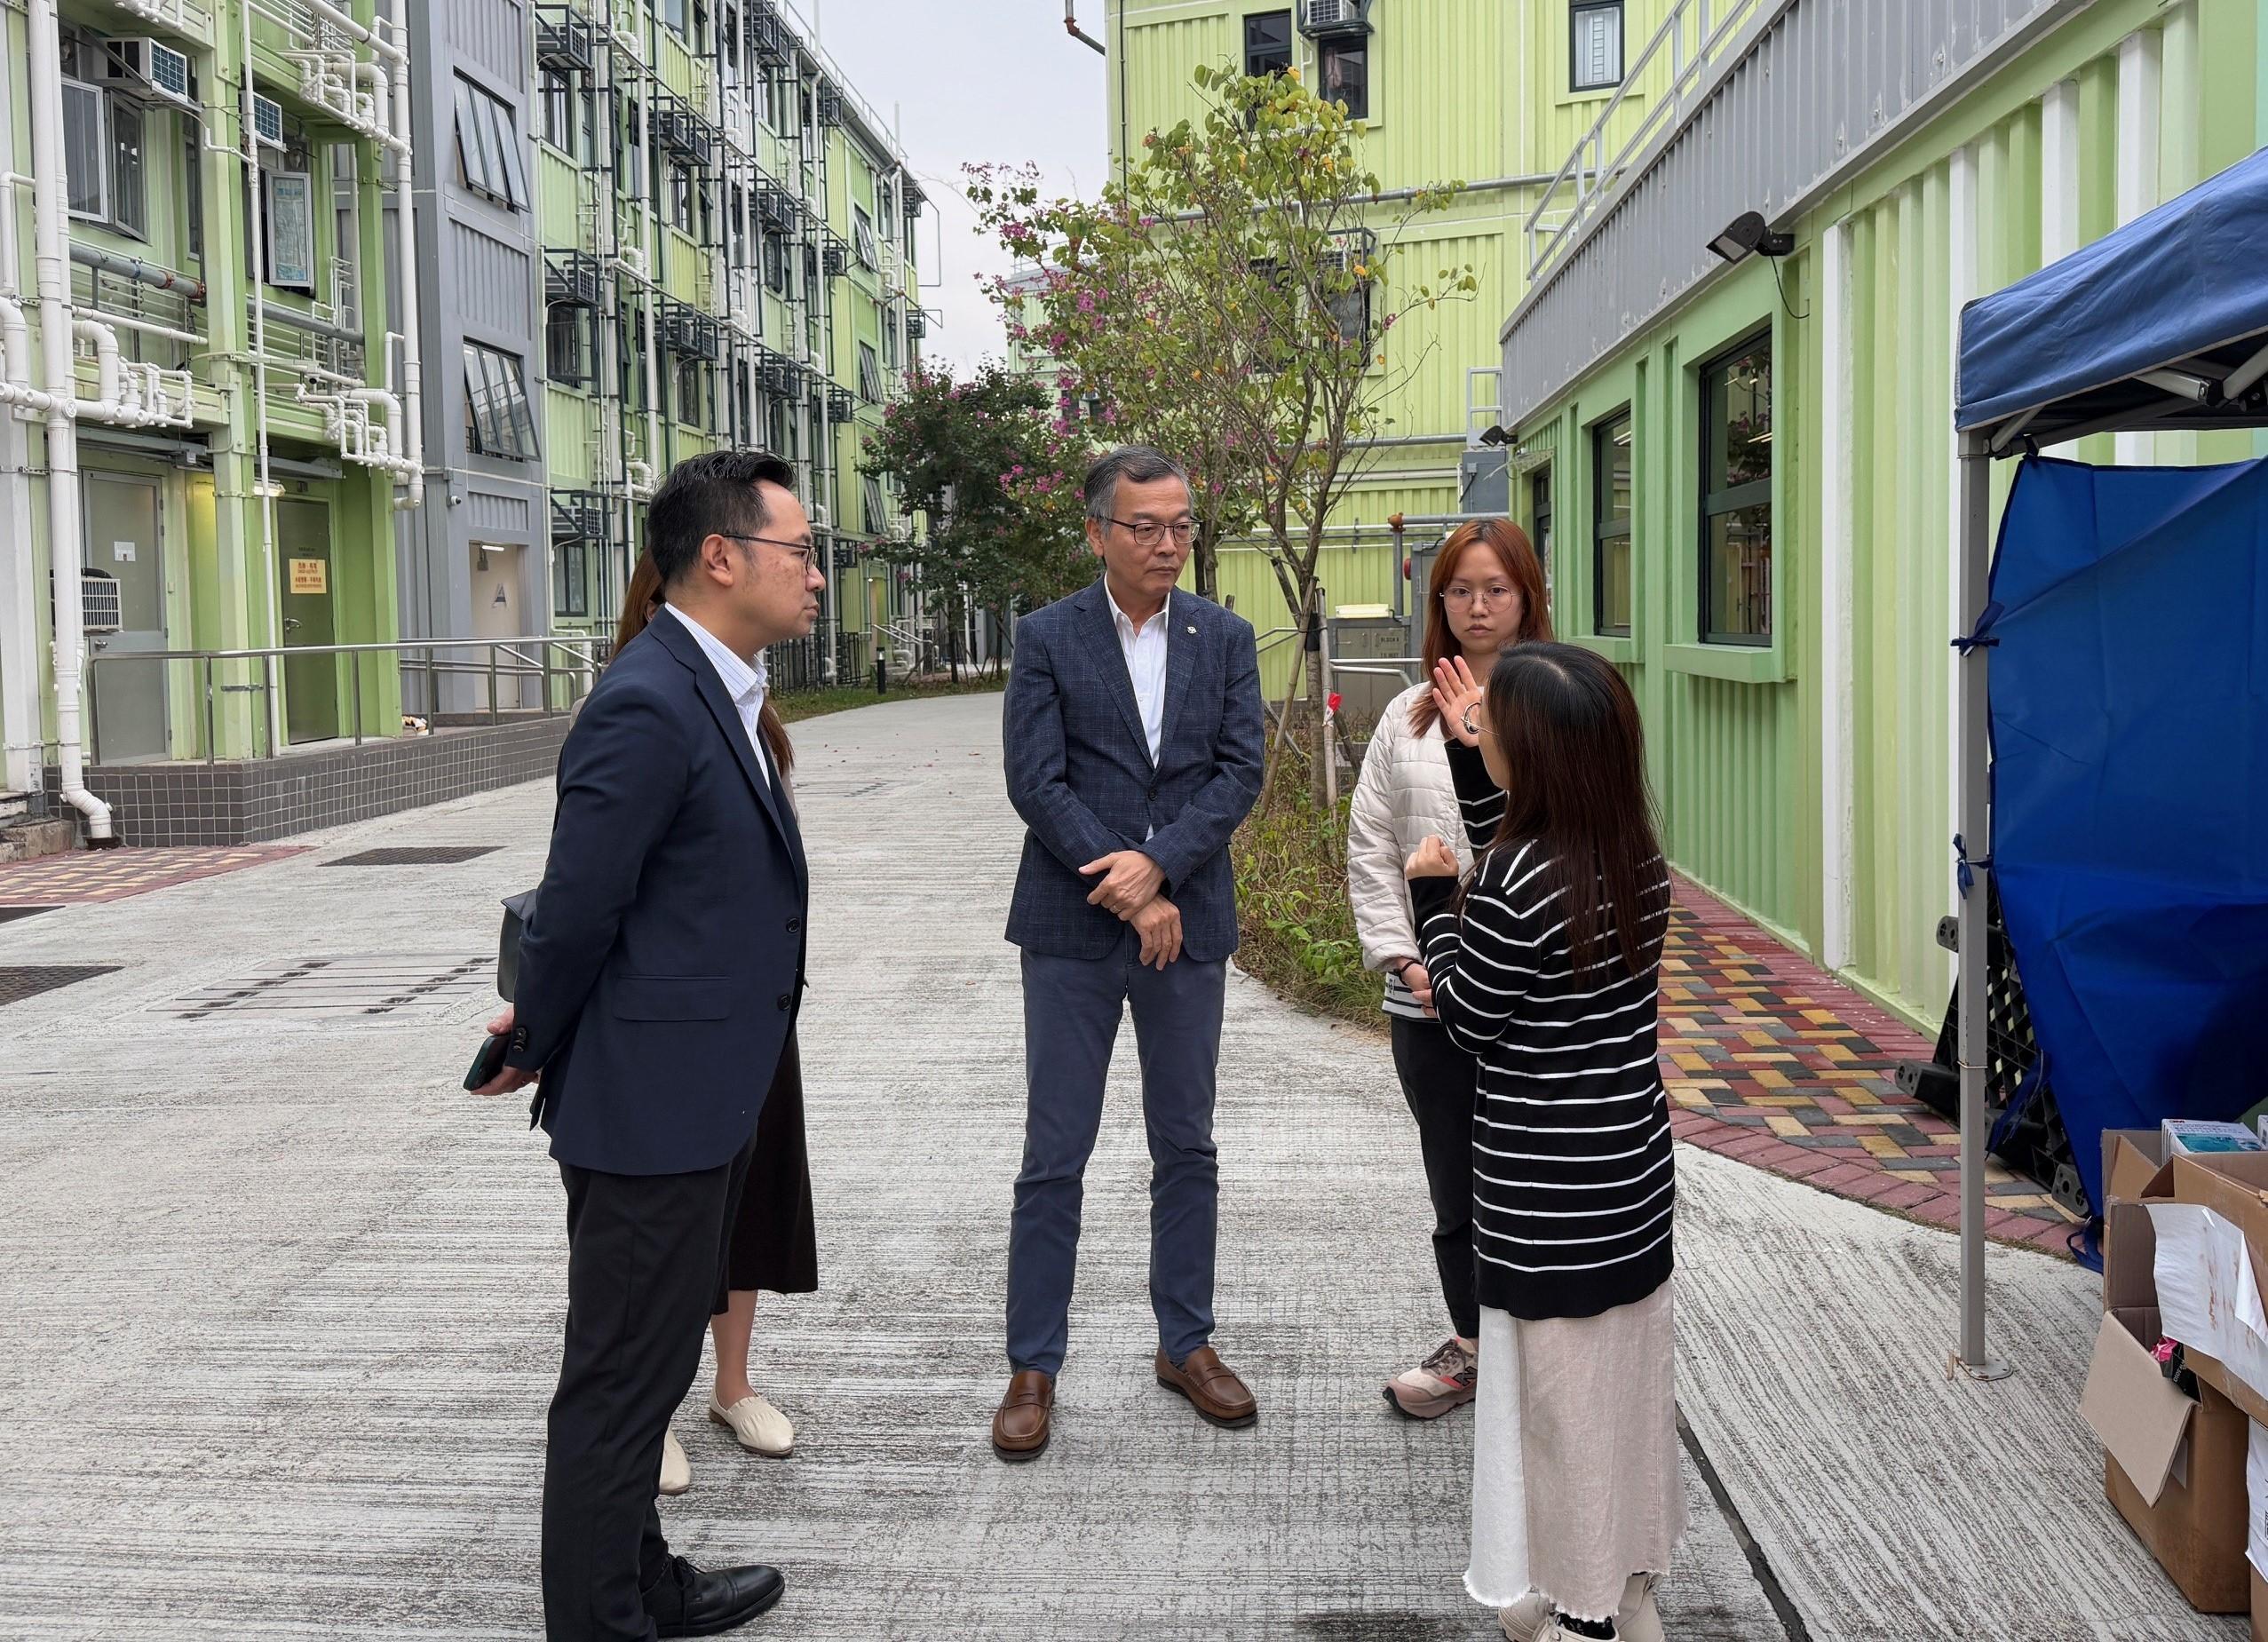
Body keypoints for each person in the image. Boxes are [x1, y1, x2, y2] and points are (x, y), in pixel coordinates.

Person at [471, 449, 821, 1640]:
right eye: (799, 550)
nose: (817, 576)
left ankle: (641, 1579)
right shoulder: (646, 699)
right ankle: (598, 1617)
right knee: (617, 1385)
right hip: (649, 1107)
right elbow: (577, 908)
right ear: (720, 558)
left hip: (701, 1094)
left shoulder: (709, 689)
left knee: (646, 1367)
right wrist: (537, 1038)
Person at [991, 445, 1265, 1461]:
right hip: (1072, 928)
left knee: (1185, 1144)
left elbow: (1239, 774)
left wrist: (1158, 871)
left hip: (1185, 925)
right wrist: (1123, 886)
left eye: (1181, 524)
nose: (1166, 543)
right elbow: (1036, 779)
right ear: (1099, 531)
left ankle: (1184, 1342)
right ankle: (1033, 1363)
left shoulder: (1223, 636)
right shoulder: (1048, 635)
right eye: (1144, 526)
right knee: (1053, 1153)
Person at [1408, 646, 1682, 1642]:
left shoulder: (1517, 882)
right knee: (1623, 1397)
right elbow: (1525, 863)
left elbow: (1472, 1015)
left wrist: (1432, 903)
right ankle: (1628, 1575)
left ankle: (1586, 1612)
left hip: (1544, 1200)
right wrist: (1479, 768)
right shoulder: (1630, 849)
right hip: (1628, 1181)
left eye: (1503, 733)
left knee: (1560, 1423)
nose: (1491, 740)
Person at [609, 554, 816, 1500]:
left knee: (751, 1204)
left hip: (756, 1011)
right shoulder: (645, 704)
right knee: (663, 1230)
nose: (809, 578)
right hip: (676, 1023)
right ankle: (645, 1410)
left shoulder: (749, 707)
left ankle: (731, 1385)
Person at [1345, 520, 1552, 1419]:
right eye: (1459, 590)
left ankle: (1548, 1352)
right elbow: (1371, 848)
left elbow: (1565, 844)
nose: (1476, 606)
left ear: (1525, 597)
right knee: (1455, 1179)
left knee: (1539, 1175)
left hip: (1531, 999)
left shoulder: (1559, 701)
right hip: (1425, 999)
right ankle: (1472, 1345)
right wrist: (1408, 954)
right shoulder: (1405, 714)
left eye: (1494, 589)